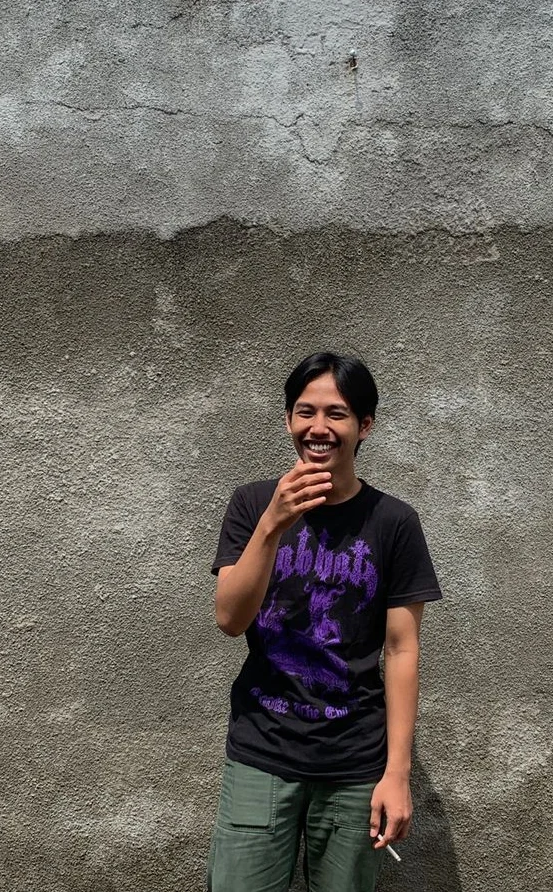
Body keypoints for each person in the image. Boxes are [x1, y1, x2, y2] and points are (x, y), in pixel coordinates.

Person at [207, 351, 442, 892]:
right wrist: (272, 524)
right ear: (288, 419)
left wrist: (397, 773)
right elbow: (229, 618)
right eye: (305, 412)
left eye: (336, 414)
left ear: (364, 425)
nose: (318, 428)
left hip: (354, 764)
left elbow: (401, 650)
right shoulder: (253, 504)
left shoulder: (394, 522)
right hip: (261, 752)